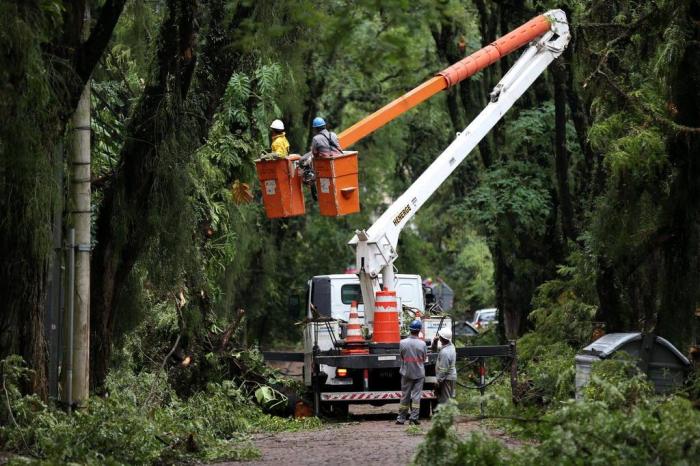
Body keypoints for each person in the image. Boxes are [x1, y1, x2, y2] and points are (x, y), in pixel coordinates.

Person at [397, 319, 427, 425]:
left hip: (406, 372)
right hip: (419, 373)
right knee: (416, 396)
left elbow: (401, 356)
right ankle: (414, 417)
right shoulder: (422, 344)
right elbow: (424, 358)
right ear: (419, 331)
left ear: (410, 330)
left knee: (405, 395)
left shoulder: (402, 343)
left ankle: (401, 418)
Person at [432, 327, 457, 405]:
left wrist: (439, 381)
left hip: (446, 378)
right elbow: (434, 350)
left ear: (442, 338)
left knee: (445, 400)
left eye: (440, 336)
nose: (439, 337)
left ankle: (447, 416)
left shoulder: (445, 353)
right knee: (450, 397)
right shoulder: (451, 346)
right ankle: (449, 415)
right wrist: (435, 342)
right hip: (451, 376)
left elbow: (443, 369)